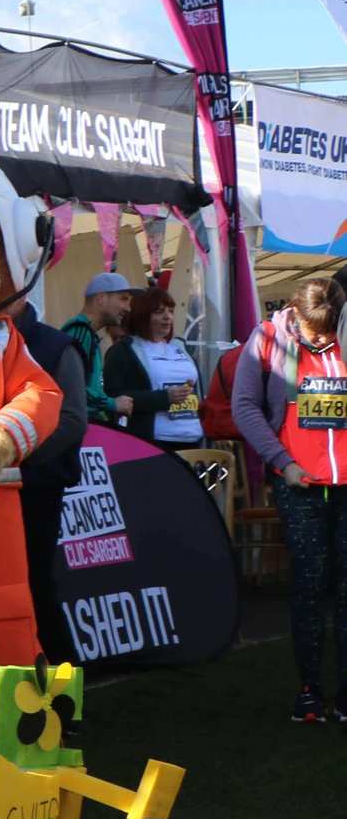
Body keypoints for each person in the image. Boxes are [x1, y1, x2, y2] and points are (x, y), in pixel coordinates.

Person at [230, 277, 347, 722]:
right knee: (310, 587)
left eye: (331, 330)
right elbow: (245, 407)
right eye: (315, 330)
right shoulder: (266, 339)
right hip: (300, 485)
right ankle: (309, 691)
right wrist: (284, 462)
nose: (323, 339)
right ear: (295, 314)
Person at [13, 298, 92, 666]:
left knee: (36, 583)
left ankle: (63, 675)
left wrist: (13, 456)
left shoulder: (55, 346)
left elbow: (73, 420)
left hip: (37, 485)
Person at [105, 289, 203, 448]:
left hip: (193, 438)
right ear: (142, 316)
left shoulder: (179, 346)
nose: (167, 317)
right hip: (153, 442)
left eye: (171, 311)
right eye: (159, 312)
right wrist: (164, 398)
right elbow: (113, 396)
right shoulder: (123, 350)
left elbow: (197, 393)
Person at [64, 272, 134, 416]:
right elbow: (73, 387)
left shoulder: (87, 333)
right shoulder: (80, 331)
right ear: (101, 299)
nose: (128, 308)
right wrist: (112, 404)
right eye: (123, 299)